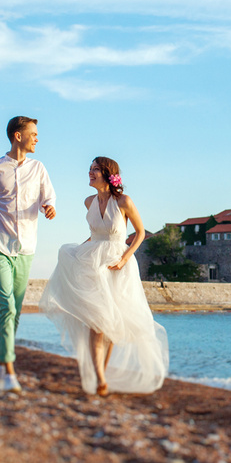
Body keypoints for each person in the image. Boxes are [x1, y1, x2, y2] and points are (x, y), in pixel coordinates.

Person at [40, 157, 168, 396]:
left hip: (118, 265)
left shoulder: (123, 201)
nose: (90, 172)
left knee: (108, 324)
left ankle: (101, 374)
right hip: (93, 263)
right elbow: (95, 235)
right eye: (90, 169)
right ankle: (100, 377)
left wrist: (125, 258)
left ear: (108, 174)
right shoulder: (88, 201)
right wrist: (78, 251)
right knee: (97, 322)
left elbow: (140, 233)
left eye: (95, 169)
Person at [0, 116, 56, 394]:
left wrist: (49, 207)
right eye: (33, 134)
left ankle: (1, 358)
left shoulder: (39, 168)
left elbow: (48, 197)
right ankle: (8, 369)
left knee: (14, 312)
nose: (37, 138)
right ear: (18, 136)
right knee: (7, 306)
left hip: (26, 248)